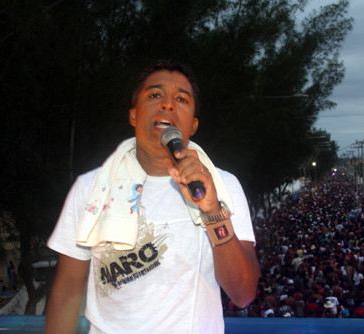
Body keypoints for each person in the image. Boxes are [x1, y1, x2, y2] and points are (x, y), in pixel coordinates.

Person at [45, 60, 260, 334]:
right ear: (133, 115)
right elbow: (67, 294)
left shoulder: (223, 187)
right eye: (155, 95)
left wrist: (211, 210)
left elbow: (243, 293)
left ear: (193, 125)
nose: (168, 104)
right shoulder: (91, 189)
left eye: (181, 98)